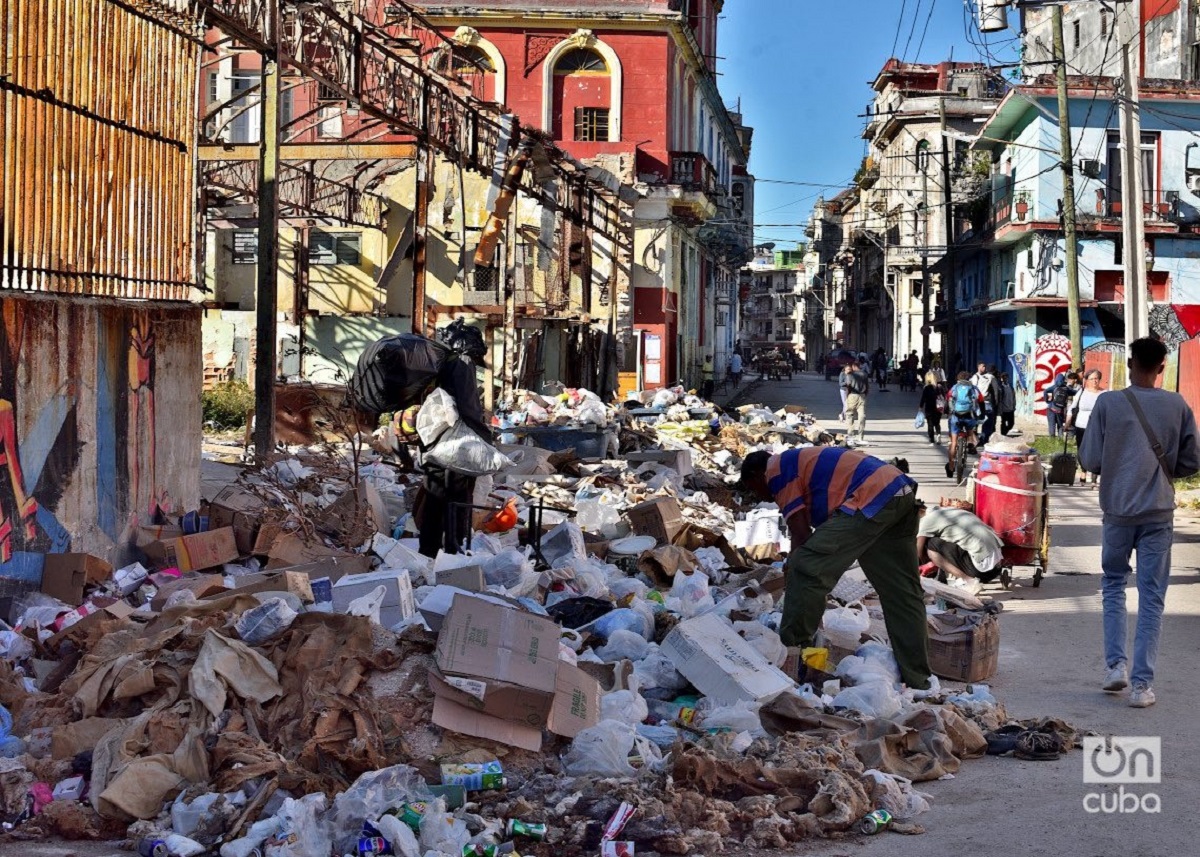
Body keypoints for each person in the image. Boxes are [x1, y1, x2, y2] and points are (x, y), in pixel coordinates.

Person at [738, 448, 932, 689]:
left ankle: (793, 654)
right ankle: (919, 680)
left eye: (753, 488)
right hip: (898, 490)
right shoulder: (797, 462)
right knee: (902, 592)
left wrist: (792, 569)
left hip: (871, 497)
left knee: (806, 567)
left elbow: (801, 534)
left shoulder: (776, 471)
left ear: (757, 474)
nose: (760, 496)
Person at [1079, 338, 1199, 708]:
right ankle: (1142, 686)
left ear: (1129, 363)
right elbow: (1192, 460)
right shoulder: (1177, 405)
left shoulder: (1107, 403)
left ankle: (1116, 667)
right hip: (1158, 514)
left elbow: (1090, 460)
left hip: (1117, 510)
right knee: (1152, 599)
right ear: (1162, 367)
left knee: (1113, 585)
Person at [417, 320, 492, 558]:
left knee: (434, 496)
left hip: (434, 440)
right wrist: (484, 438)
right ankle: (454, 552)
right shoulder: (462, 363)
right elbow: (468, 405)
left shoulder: (439, 362)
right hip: (457, 443)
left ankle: (428, 552)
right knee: (458, 499)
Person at [917, 503, 1004, 595]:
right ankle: (961, 580)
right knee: (940, 544)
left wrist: (923, 566)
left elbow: (918, 553)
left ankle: (969, 582)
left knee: (932, 544)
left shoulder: (926, 520)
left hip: (980, 570)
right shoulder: (951, 511)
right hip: (996, 569)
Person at [1066, 368, 1104, 484]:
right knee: (1082, 449)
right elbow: (1072, 408)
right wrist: (1067, 424)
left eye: (1097, 378)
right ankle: (1083, 471)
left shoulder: (1105, 393)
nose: (1095, 381)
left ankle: (1094, 477)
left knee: (1097, 451)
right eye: (1092, 379)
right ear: (1086, 380)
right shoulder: (1081, 392)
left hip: (1098, 427)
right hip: (1081, 425)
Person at [944, 370, 983, 479]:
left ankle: (951, 467)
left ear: (958, 378)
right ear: (968, 378)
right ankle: (970, 443)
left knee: (953, 442)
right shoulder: (973, 388)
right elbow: (981, 399)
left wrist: (947, 412)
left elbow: (948, 400)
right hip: (969, 416)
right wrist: (981, 414)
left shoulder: (954, 387)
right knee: (970, 429)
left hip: (956, 416)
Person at [840, 359, 870, 443]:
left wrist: (847, 396)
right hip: (862, 396)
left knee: (849, 414)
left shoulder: (850, 375)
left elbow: (848, 386)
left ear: (853, 366)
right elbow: (867, 387)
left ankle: (851, 435)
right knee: (862, 416)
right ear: (859, 366)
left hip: (853, 395)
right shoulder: (864, 374)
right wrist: (864, 395)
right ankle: (860, 436)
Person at [971, 362, 998, 445]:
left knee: (982, 421)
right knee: (983, 422)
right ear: (978, 367)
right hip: (981, 403)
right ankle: (979, 439)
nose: (984, 368)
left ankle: (980, 440)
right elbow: (995, 391)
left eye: (985, 366)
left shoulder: (987, 377)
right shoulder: (976, 377)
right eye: (983, 366)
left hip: (982, 402)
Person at [918, 371, 945, 445]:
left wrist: (920, 407)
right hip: (939, 407)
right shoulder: (940, 386)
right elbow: (944, 397)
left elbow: (923, 398)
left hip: (929, 408)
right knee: (937, 423)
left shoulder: (926, 387)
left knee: (930, 424)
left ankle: (932, 439)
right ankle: (938, 434)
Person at [997, 372, 1017, 436]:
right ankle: (1003, 434)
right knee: (1003, 422)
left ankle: (1005, 431)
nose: (1005, 379)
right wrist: (1000, 409)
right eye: (1003, 378)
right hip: (1004, 409)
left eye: (1006, 377)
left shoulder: (1010, 387)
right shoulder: (1000, 388)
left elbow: (1013, 397)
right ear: (1001, 379)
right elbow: (999, 399)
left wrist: (1014, 405)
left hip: (1011, 408)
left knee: (1011, 423)